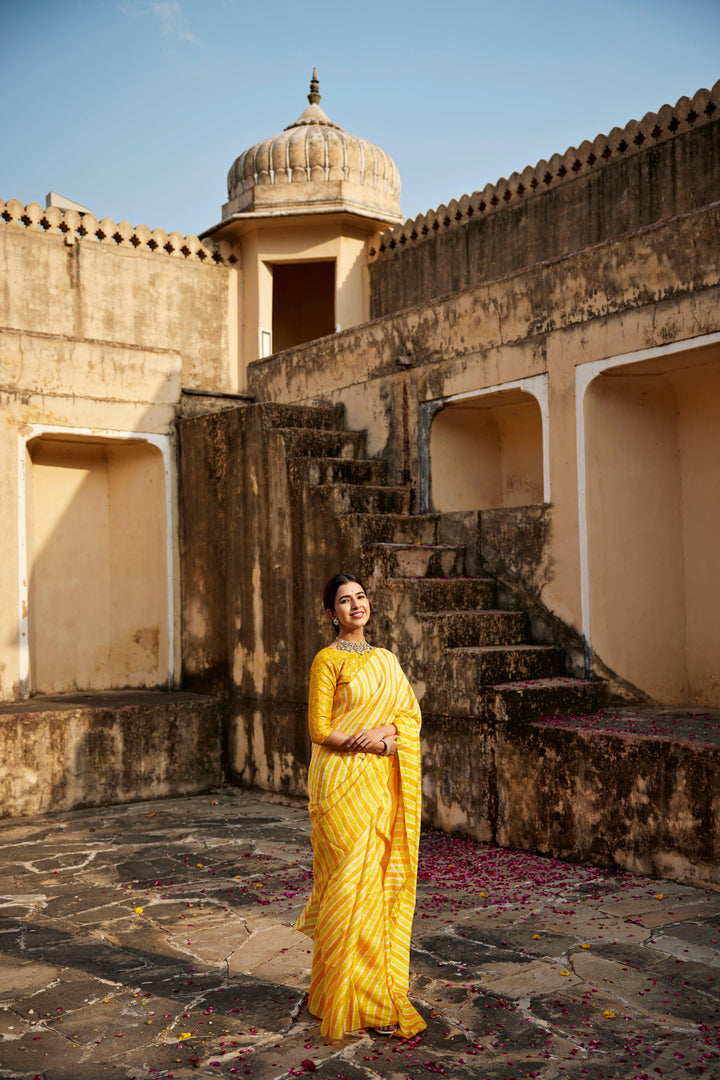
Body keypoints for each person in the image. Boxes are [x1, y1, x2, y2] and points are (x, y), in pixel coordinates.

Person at [295, 572, 427, 1040]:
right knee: (347, 888)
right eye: (345, 601)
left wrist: (387, 737)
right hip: (339, 782)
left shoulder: (387, 659)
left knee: (372, 892)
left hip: (380, 781)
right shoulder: (327, 660)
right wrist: (363, 742)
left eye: (361, 597)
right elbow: (317, 728)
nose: (356, 606)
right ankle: (337, 995)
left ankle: (369, 997)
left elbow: (407, 717)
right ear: (331, 614)